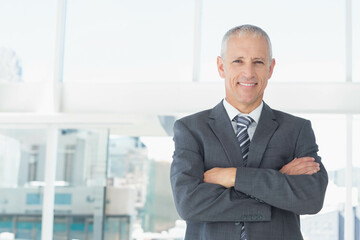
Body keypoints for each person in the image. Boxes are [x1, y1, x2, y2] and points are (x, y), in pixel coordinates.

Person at [170, 24, 328, 240]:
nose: (249, 72)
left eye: (258, 62)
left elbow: (312, 198)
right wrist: (279, 181)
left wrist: (232, 176)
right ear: (221, 66)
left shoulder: (297, 129)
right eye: (238, 61)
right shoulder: (191, 129)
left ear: (270, 68)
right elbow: (188, 204)